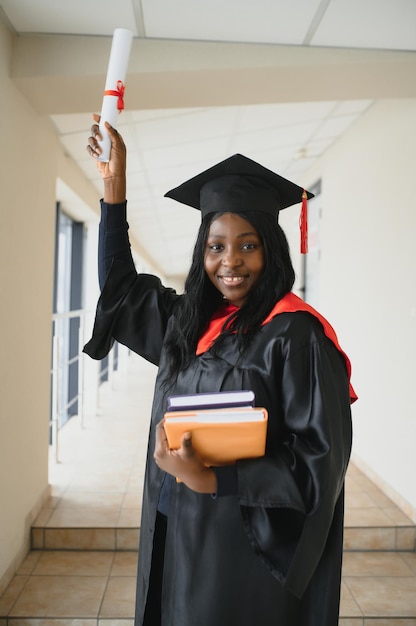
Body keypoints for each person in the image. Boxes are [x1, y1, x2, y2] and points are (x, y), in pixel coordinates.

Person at [84, 117, 356, 626]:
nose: (230, 261)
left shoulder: (296, 336)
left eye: (248, 244)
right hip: (170, 522)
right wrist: (113, 189)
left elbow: (319, 467)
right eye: (216, 246)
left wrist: (211, 481)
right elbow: (119, 288)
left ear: (271, 249)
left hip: (238, 549)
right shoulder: (186, 320)